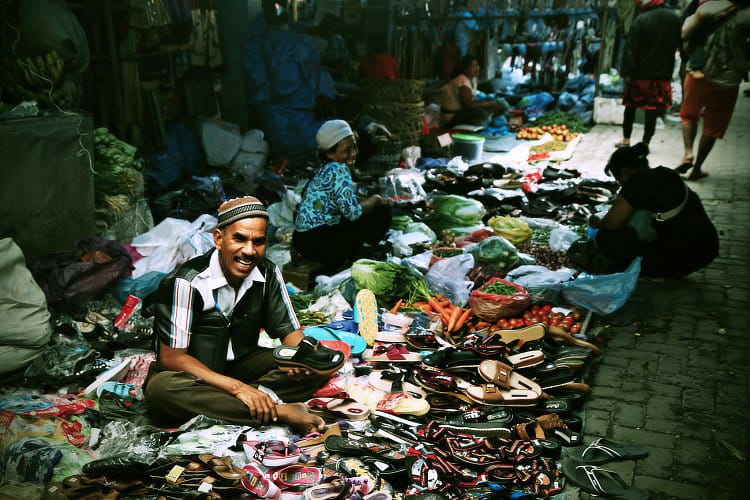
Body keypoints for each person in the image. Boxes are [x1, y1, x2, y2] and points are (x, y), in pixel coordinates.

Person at [145, 196, 328, 434]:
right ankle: (280, 411)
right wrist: (238, 389)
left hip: (243, 365)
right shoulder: (186, 282)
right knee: (161, 391)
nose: (249, 251)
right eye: (239, 239)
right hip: (193, 376)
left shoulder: (268, 273)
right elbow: (173, 359)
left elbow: (290, 333)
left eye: (259, 242)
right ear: (219, 239)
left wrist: (302, 358)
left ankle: (237, 405)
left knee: (317, 364)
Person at [586, 143, 718, 278]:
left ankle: (655, 272)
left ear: (625, 173)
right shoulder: (666, 172)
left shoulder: (636, 184)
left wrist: (596, 221)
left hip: (686, 254)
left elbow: (612, 223)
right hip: (707, 248)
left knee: (606, 238)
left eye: (618, 180)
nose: (620, 185)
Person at [292, 120, 391, 273]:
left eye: (354, 148)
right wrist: (376, 198)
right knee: (381, 212)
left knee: (357, 217)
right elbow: (353, 213)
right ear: (331, 153)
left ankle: (336, 259)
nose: (354, 154)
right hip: (316, 241)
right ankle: (341, 261)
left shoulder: (326, 168)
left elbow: (338, 201)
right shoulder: (339, 169)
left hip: (301, 240)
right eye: (347, 150)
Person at [677, 0, 750, 180]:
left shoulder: (709, 7)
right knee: (713, 125)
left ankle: (688, 153)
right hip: (728, 79)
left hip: (698, 72)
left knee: (688, 115)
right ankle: (697, 168)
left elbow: (685, 32)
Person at [616, 0, 681, 148]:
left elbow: (631, 49)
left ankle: (626, 139)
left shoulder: (641, 19)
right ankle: (646, 143)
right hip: (662, 74)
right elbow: (680, 43)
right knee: (652, 110)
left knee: (630, 107)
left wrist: (626, 71)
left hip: (640, 74)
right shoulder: (675, 18)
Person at [440, 55, 504, 127]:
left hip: (460, 111)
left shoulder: (473, 79)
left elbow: (473, 99)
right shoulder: (462, 80)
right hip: (451, 116)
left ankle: (486, 121)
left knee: (492, 101)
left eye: (477, 65)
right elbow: (468, 105)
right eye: (473, 66)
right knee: (481, 113)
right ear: (466, 69)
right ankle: (471, 128)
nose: (477, 68)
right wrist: (488, 104)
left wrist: (488, 103)